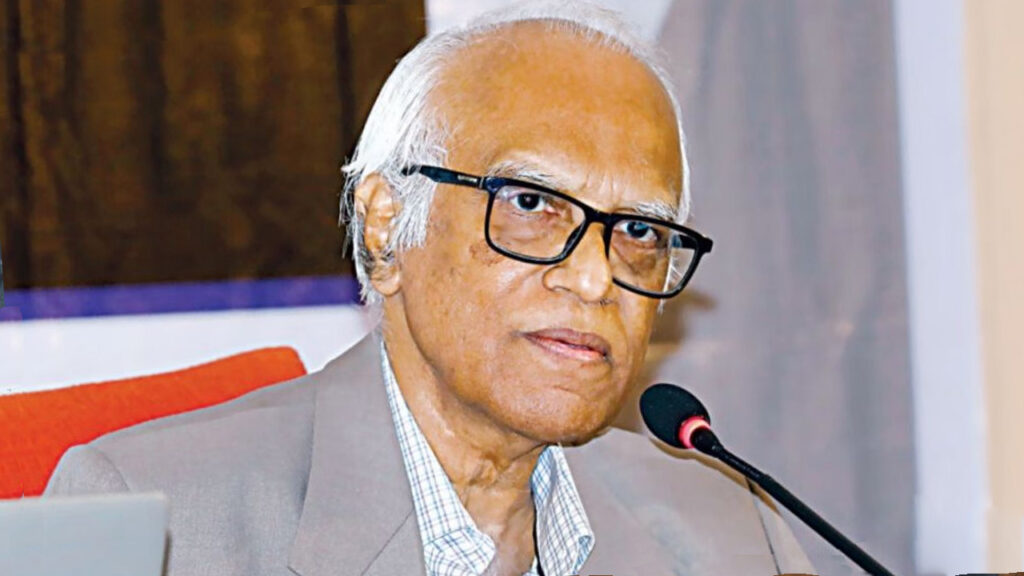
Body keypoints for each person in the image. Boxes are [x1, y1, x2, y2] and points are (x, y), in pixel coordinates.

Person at [46, 2, 815, 575]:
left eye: (639, 231)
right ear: (386, 227)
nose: (592, 278)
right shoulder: (156, 525)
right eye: (530, 203)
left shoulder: (733, 532)